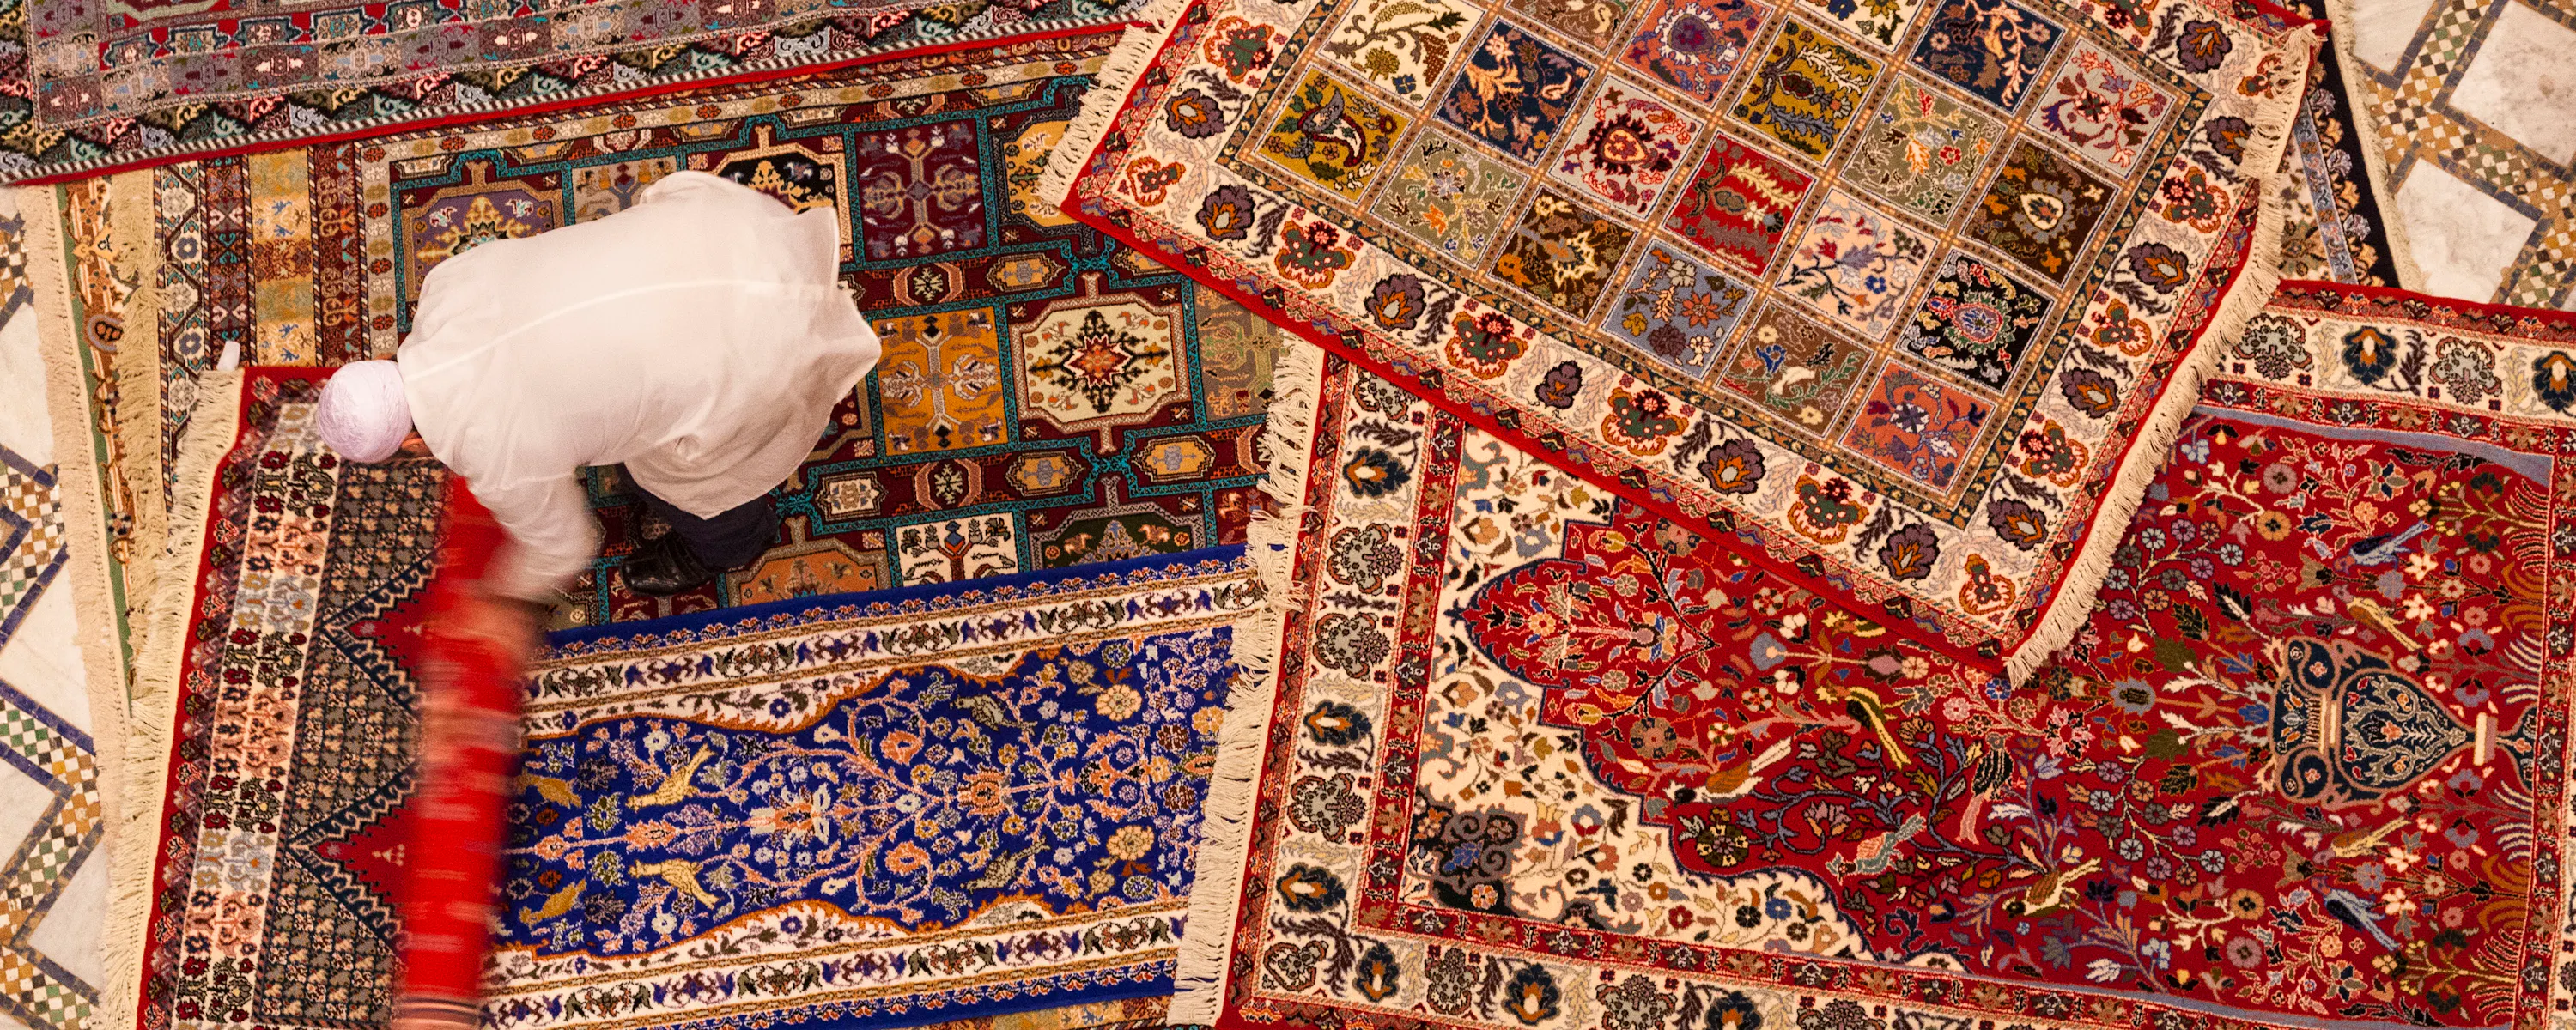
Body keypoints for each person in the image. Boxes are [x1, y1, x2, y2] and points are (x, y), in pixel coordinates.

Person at [314, 171, 881, 656]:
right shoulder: (447, 288)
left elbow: (563, 544)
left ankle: (732, 544)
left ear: (410, 445)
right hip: (734, 234)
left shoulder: (493, 451)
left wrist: (505, 600)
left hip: (759, 358)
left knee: (683, 478)